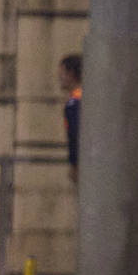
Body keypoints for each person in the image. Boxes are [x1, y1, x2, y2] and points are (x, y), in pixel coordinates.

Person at [58, 53, 81, 184]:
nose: (60, 77)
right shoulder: (86, 97)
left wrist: (74, 163)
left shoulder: (74, 102)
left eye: (62, 73)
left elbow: (74, 135)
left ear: (71, 73)